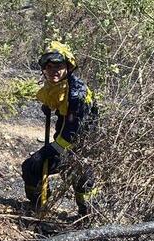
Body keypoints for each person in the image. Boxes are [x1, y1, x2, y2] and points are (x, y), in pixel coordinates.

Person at [22, 41, 98, 215]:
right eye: (49, 67)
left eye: (58, 66)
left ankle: (89, 220)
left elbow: (73, 134)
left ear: (68, 67)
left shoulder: (77, 94)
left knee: (83, 185)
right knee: (31, 168)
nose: (53, 71)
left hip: (83, 149)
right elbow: (56, 103)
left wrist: (46, 152)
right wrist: (48, 107)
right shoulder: (58, 86)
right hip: (63, 142)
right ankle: (39, 208)